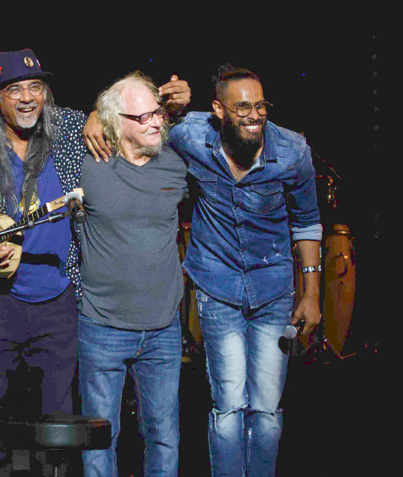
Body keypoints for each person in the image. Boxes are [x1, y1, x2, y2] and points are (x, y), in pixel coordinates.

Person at [0, 49, 190, 476]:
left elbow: (119, 119)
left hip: (61, 299)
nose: (27, 97)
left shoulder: (68, 128)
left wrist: (91, 114)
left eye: (35, 87)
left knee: (62, 419)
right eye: (15, 89)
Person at [84, 65, 322, 476]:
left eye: (260, 105)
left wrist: (312, 293)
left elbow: (307, 220)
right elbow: (134, 117)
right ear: (218, 109)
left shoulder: (293, 151)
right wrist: (95, 114)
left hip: (272, 287)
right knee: (228, 407)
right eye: (242, 106)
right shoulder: (190, 136)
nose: (254, 115)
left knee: (266, 410)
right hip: (216, 288)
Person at [78, 72, 188, 477]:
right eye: (143, 117)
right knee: (98, 440)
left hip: (162, 328)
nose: (157, 122)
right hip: (102, 327)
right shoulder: (88, 164)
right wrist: (92, 113)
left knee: (163, 436)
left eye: (158, 113)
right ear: (116, 122)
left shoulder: (176, 165)